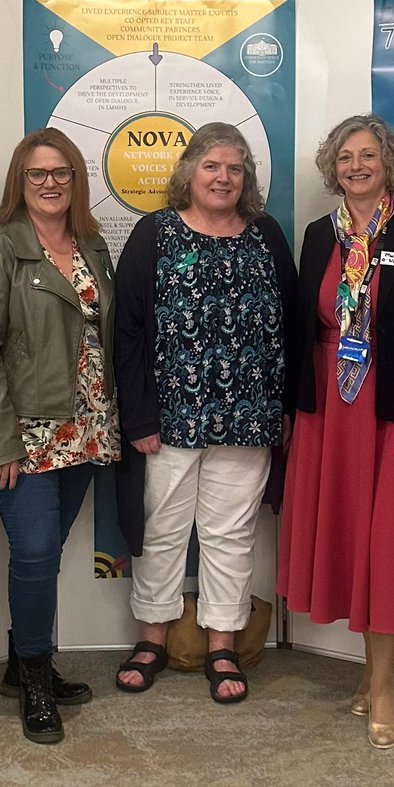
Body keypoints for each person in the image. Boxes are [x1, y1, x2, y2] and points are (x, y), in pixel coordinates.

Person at [277, 114, 394, 749]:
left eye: (368, 156)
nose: (356, 166)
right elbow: (302, 329)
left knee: (387, 547)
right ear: (333, 168)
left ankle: (382, 685)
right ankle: (368, 676)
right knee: (350, 541)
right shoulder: (315, 236)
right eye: (345, 157)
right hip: (329, 411)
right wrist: (293, 409)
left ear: (388, 164)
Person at [113, 122, 297, 705]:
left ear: (246, 179)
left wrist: (285, 407)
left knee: (230, 535)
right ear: (189, 173)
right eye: (212, 166)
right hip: (170, 418)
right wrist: (138, 417)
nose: (223, 177)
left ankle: (223, 644)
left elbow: (290, 327)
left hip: (249, 417)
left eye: (235, 168)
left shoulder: (267, 234)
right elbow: (129, 330)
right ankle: (152, 642)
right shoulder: (154, 233)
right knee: (164, 531)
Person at [0, 127, 117, 744]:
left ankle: (19, 660)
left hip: (86, 425)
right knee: (31, 551)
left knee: (45, 553)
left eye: (61, 173)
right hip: (24, 432)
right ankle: (33, 680)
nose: (49, 183)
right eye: (37, 173)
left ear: (75, 181)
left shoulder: (93, 247)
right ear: (18, 183)